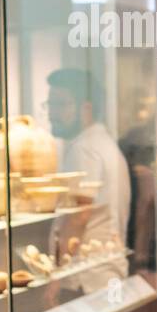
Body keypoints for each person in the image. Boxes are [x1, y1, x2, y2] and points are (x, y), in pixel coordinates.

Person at [45, 68, 133, 286]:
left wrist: (57, 276)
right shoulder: (103, 142)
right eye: (50, 104)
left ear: (86, 108)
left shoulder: (84, 149)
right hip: (104, 271)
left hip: (86, 278)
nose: (51, 113)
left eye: (60, 104)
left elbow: (78, 216)